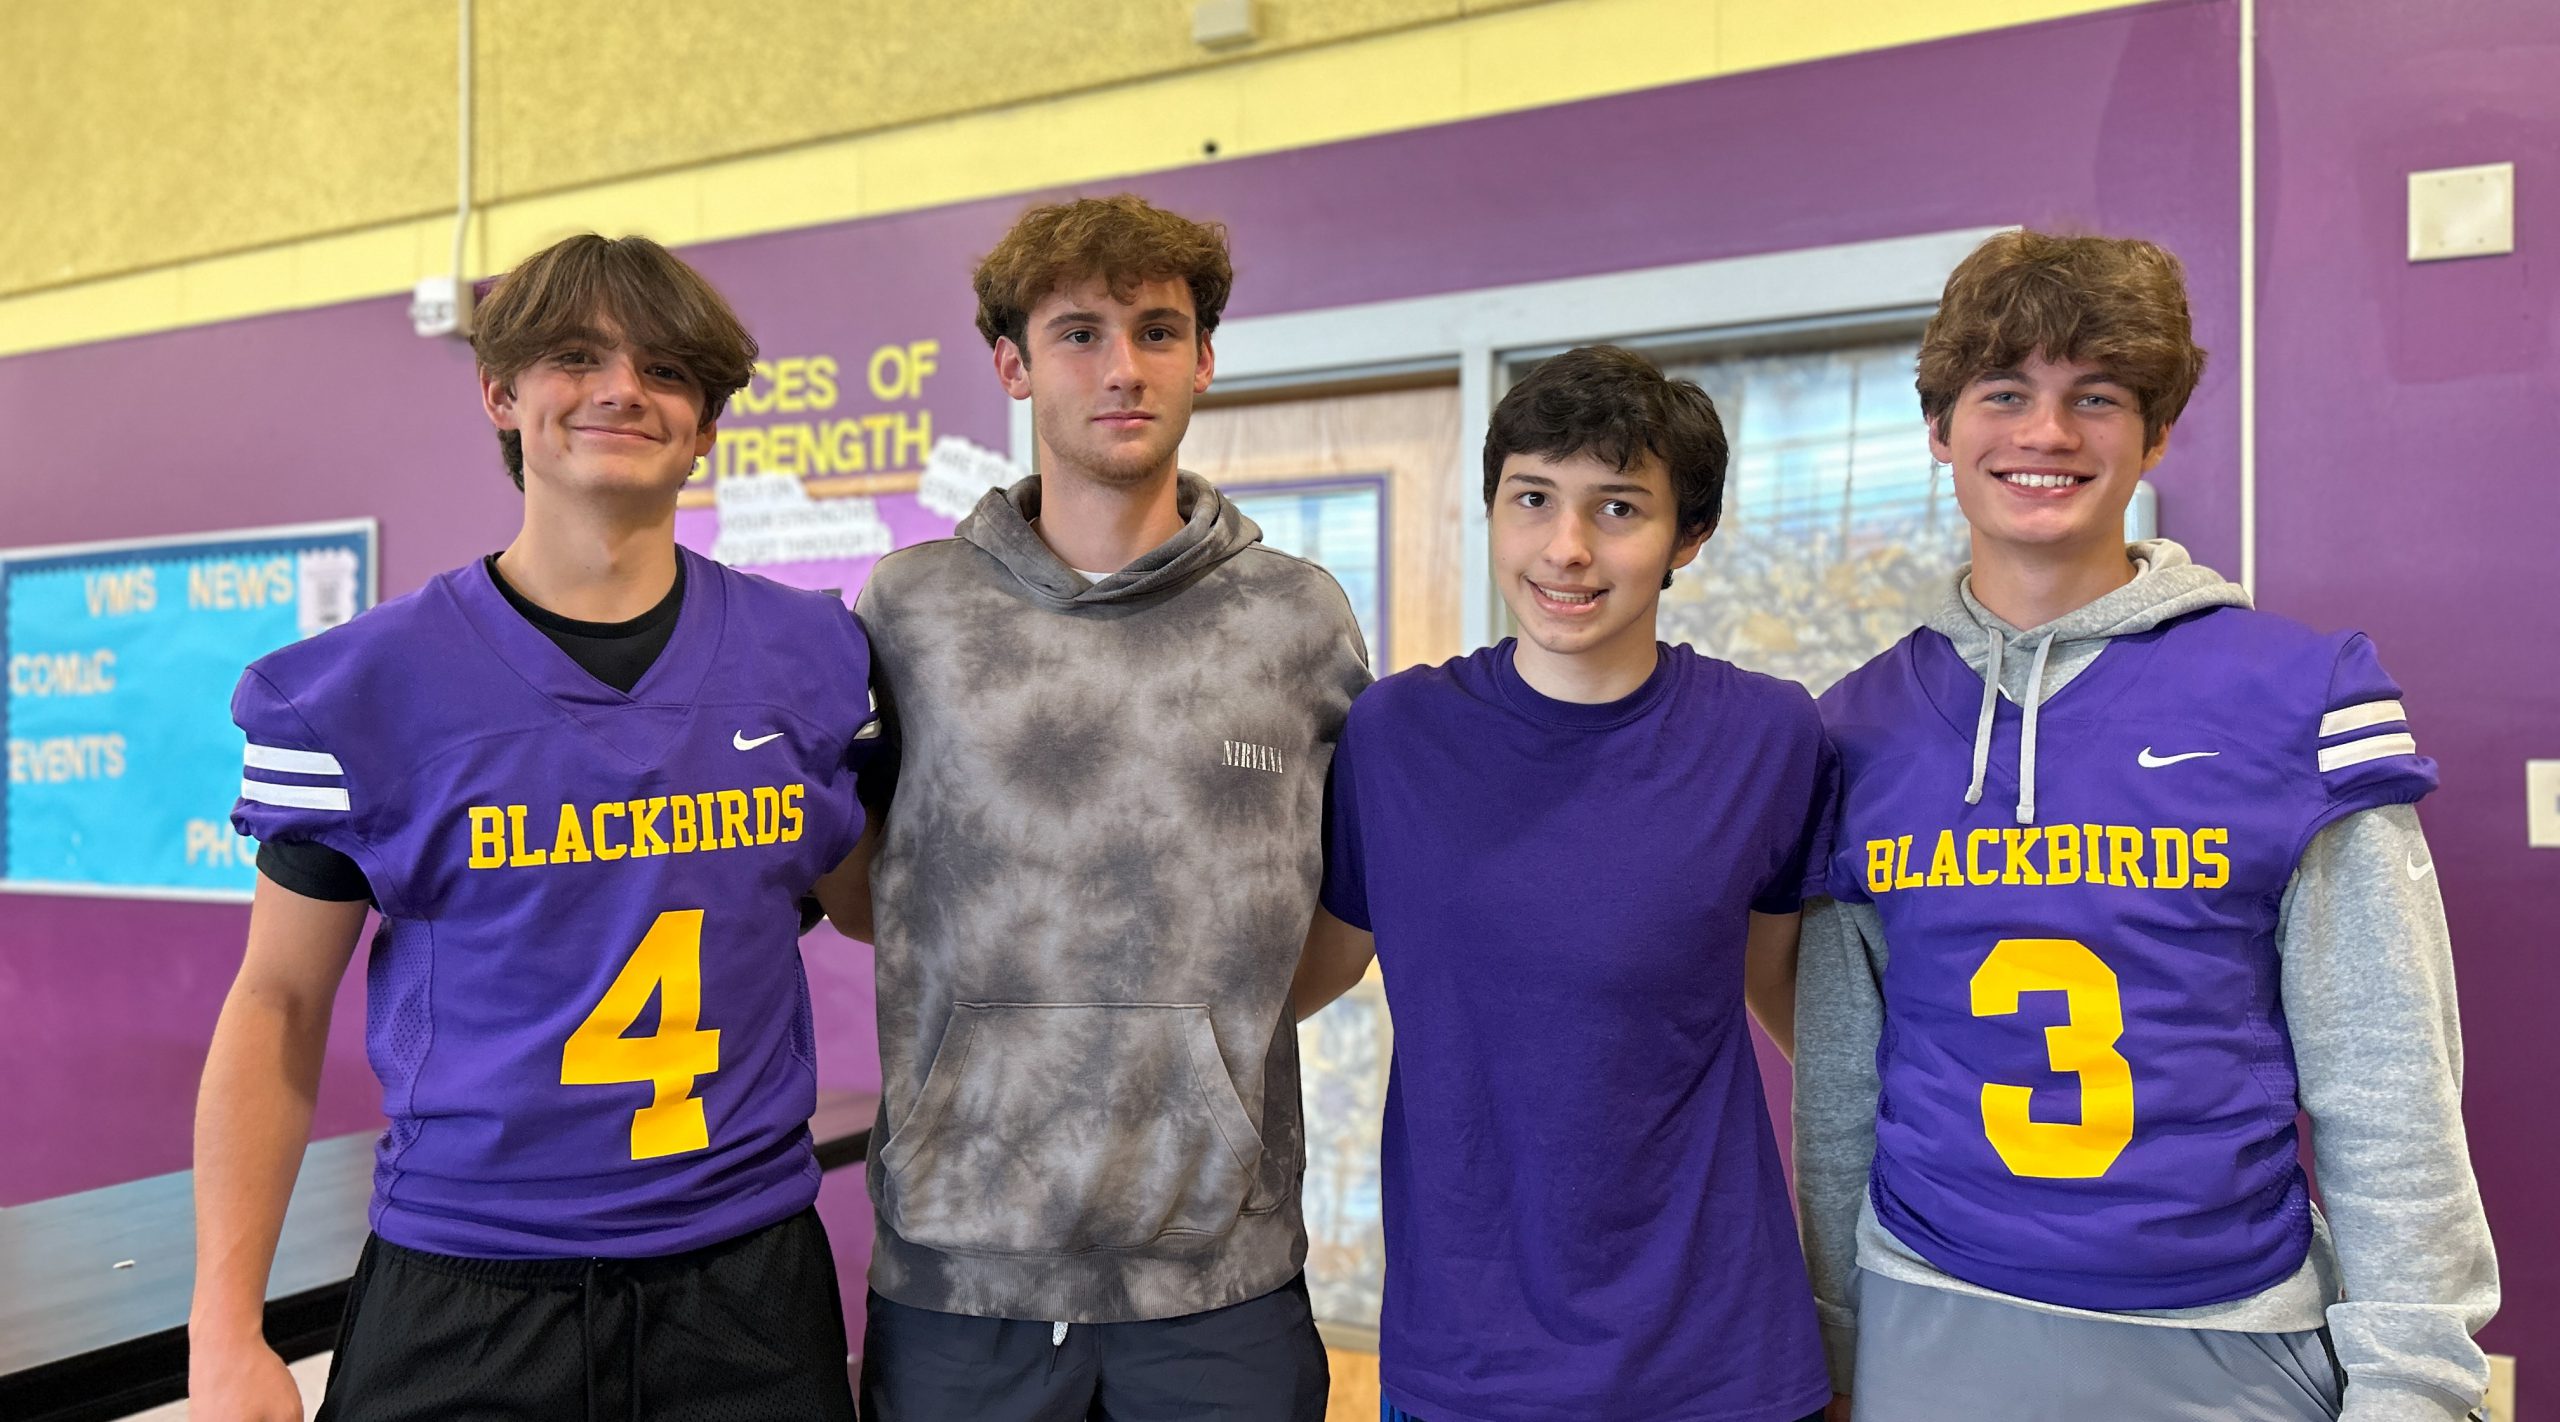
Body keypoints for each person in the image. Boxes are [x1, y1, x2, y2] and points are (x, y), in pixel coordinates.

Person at [1794, 230, 2499, 1421]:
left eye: (2097, 397)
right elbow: (1840, 1086)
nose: (2046, 434)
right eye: (2003, 392)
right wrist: (1833, 1338)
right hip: (1926, 1302)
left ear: (2156, 430)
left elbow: (2386, 1082)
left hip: (2219, 1326)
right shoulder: (1855, 728)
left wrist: (2415, 1379)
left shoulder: (2295, 696)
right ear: (1940, 428)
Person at [188, 233, 876, 1421]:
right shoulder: (359, 689)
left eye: (666, 369)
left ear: (706, 421)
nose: (621, 389)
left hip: (746, 1276)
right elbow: (278, 1004)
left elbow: (863, 903)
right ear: (501, 395)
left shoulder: (816, 658)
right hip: (469, 1283)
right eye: (574, 357)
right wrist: (224, 1326)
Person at [832, 193, 1367, 1421]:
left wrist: (1197, 1034)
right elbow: (864, 894)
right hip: (960, 1277)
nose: (1122, 368)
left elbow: (1343, 908)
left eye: (1158, 331)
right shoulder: (908, 614)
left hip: (1217, 1281)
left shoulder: (1294, 619)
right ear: (1013, 365)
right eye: (1079, 333)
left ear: (1204, 358)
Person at [1289, 344, 1834, 1422]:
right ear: (1491, 511)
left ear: (1689, 537)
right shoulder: (1395, 736)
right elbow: (1314, 965)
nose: (1567, 549)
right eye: (1531, 499)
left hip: (1719, 1353)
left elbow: (1799, 1006)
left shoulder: (1769, 736)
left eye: (1618, 508)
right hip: (1470, 1356)